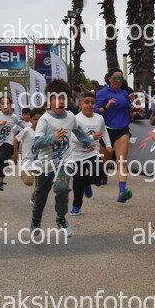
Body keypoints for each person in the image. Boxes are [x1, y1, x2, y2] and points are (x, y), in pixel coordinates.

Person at [31, 79, 94, 237]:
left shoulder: (71, 117)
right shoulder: (44, 120)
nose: (60, 101)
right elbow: (37, 142)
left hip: (65, 163)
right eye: (56, 98)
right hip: (46, 164)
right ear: (49, 100)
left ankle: (61, 218)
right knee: (41, 195)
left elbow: (78, 131)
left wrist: (89, 142)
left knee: (62, 188)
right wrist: (52, 138)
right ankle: (36, 219)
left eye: (63, 98)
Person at [70, 92, 112, 216]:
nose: (90, 105)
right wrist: (91, 137)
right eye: (86, 102)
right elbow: (73, 138)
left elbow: (104, 132)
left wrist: (108, 145)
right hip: (77, 155)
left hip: (93, 153)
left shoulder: (99, 118)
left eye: (93, 103)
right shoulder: (76, 119)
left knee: (99, 174)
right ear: (80, 104)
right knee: (77, 183)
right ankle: (76, 206)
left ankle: (87, 182)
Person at [95, 68, 133, 203]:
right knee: (104, 161)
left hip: (122, 129)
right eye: (115, 78)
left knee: (121, 161)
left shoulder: (124, 93)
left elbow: (128, 107)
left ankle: (122, 191)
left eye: (120, 78)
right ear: (109, 79)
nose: (118, 81)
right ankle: (99, 175)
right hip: (106, 130)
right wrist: (107, 106)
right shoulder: (102, 93)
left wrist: (135, 108)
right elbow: (96, 111)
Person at [0, 95, 26, 191]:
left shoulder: (14, 117)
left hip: (7, 142)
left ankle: (1, 181)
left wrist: (31, 128)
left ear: (10, 105)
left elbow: (21, 124)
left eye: (7, 103)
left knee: (2, 158)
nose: (5, 105)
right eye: (2, 103)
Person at [12, 108, 43, 206]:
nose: (37, 122)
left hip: (41, 161)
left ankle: (34, 197)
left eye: (40, 119)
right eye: (35, 119)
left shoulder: (44, 132)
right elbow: (16, 140)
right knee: (29, 181)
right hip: (28, 161)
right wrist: (16, 153)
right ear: (30, 119)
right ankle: (23, 173)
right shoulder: (26, 130)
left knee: (40, 185)